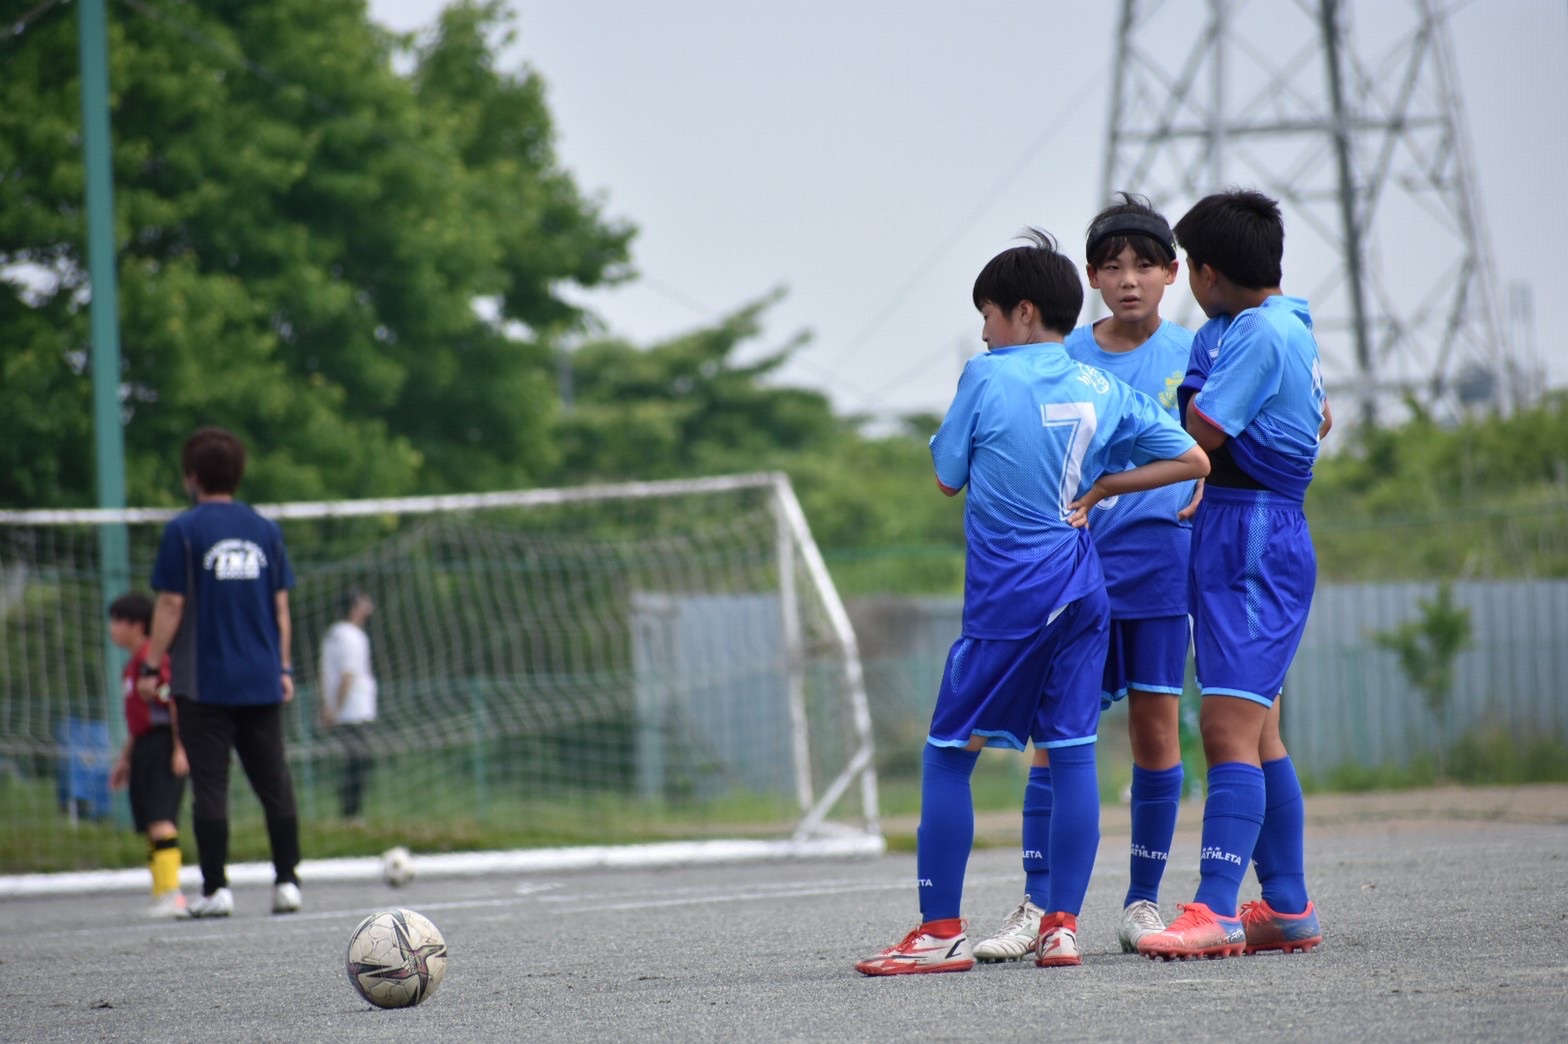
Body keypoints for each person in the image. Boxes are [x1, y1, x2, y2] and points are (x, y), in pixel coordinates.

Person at [855, 229, 1209, 975]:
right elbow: (1192, 457)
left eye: (986, 314)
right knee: (1074, 751)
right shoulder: (1101, 387)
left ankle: (939, 929)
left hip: (1012, 595)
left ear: (1019, 314)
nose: (982, 330)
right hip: (1086, 592)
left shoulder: (987, 377)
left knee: (948, 754)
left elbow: (949, 475)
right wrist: (1108, 484)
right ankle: (1060, 927)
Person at [969, 194, 1203, 962]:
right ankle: (1039, 905)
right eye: (1111, 266)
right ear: (1093, 279)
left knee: (1155, 732)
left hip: (1163, 567)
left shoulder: (1196, 352)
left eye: (1143, 264)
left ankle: (1143, 901)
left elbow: (1261, 415)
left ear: (1173, 272)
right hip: (1073, 571)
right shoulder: (1062, 357)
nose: (1128, 279)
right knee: (1053, 740)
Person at [1136, 189, 1331, 961]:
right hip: (1243, 527)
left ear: (1208, 272)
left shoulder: (1254, 332)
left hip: (1253, 538)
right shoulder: (1284, 322)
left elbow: (1201, 434)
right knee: (1261, 730)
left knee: (1224, 730)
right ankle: (1285, 906)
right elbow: (1319, 420)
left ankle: (1215, 908)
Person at [138, 426, 303, 918]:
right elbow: (281, 610)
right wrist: (285, 667)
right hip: (261, 679)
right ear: (239, 473)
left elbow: (170, 603)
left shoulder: (184, 531)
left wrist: (151, 665)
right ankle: (287, 882)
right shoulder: (265, 529)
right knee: (274, 780)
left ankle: (216, 890)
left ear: (192, 476)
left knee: (211, 786)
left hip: (204, 683)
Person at [107, 591, 189, 918]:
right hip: (142, 745)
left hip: (164, 743)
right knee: (148, 821)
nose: (111, 629)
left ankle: (173, 892)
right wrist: (126, 759)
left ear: (137, 625)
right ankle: (160, 891)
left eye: (117, 622)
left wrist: (181, 748)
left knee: (161, 818)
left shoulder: (151, 661)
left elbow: (173, 704)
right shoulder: (130, 668)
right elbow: (137, 721)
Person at [319, 588, 378, 822]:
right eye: (363, 600)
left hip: (344, 709)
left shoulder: (333, 634)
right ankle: (351, 815)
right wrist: (335, 707)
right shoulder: (352, 636)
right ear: (354, 607)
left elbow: (322, 672)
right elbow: (347, 675)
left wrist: (326, 705)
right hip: (354, 710)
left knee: (354, 762)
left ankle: (350, 814)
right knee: (359, 762)